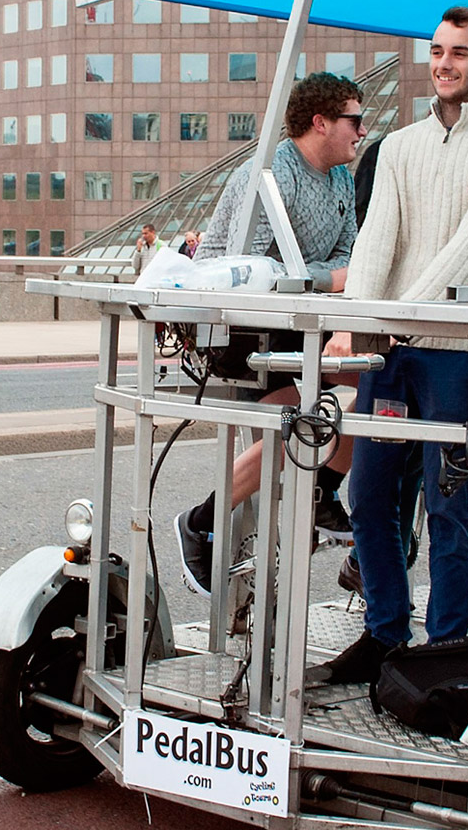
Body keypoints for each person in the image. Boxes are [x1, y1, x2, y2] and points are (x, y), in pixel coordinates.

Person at [306, 6, 468, 685]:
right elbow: (377, 242)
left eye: (460, 53)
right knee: (369, 498)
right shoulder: (401, 146)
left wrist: (396, 320)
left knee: (447, 504)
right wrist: (359, 328)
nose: (444, 63)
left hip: (457, 354)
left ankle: (443, 650)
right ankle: (383, 636)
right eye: (437, 50)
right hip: (393, 351)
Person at [173, 72, 368, 596]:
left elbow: (351, 257)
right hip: (238, 327)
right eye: (354, 119)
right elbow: (255, 266)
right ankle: (201, 520)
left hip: (297, 323)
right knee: (303, 419)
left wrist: (322, 278)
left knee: (374, 388)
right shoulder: (271, 172)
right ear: (320, 122)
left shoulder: (341, 179)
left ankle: (322, 492)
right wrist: (327, 278)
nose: (362, 131)